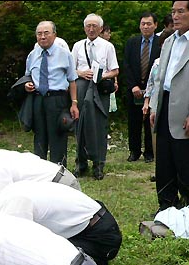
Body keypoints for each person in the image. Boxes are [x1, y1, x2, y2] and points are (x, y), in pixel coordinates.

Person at [0, 180, 122, 265]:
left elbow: (23, 255)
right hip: (91, 223)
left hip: (100, 235)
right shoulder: (3, 197)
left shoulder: (14, 208)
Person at [149, 1, 189, 213]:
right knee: (164, 161)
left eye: (181, 11)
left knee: (185, 163)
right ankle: (166, 207)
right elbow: (160, 78)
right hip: (165, 105)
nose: (175, 16)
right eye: (173, 11)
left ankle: (187, 209)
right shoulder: (168, 42)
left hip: (188, 112)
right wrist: (155, 105)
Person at [23, 21, 79, 168]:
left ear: (54, 35)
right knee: (39, 138)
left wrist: (74, 103)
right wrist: (27, 85)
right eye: (39, 34)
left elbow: (72, 80)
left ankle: (59, 172)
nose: (42, 37)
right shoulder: (32, 55)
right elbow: (27, 76)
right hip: (38, 99)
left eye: (46, 33)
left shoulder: (64, 54)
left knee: (58, 138)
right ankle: (40, 172)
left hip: (57, 100)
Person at [71, 13, 119, 180]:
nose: (91, 29)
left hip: (100, 89)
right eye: (88, 26)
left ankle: (98, 164)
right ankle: (80, 163)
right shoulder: (77, 46)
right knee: (80, 125)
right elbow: (71, 69)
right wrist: (81, 73)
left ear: (100, 28)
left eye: (94, 26)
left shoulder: (107, 46)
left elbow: (115, 70)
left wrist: (102, 76)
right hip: (81, 86)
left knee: (99, 126)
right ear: (84, 28)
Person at [124, 12, 160, 163]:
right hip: (134, 90)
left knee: (150, 123)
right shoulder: (132, 42)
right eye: (143, 24)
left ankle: (150, 152)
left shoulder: (161, 42)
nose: (145, 26)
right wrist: (133, 86)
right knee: (134, 122)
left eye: (149, 24)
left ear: (155, 25)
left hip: (153, 89)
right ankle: (134, 151)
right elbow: (126, 65)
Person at [142, 29, 173, 182]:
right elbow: (151, 84)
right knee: (155, 138)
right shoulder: (157, 62)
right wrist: (146, 102)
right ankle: (158, 169)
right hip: (155, 103)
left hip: (172, 103)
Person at [99, 24, 118, 113]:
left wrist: (115, 81)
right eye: (108, 32)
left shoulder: (109, 46)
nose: (109, 35)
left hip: (108, 79)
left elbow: (113, 67)